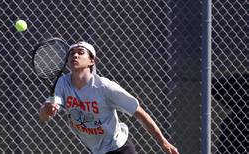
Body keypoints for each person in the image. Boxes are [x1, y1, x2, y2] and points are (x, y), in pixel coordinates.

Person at [39, 41, 179, 154]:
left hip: (119, 148)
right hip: (96, 150)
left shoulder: (105, 87)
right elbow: (44, 117)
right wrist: (47, 110)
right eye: (71, 54)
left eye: (80, 53)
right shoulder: (63, 83)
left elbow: (140, 112)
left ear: (91, 61)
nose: (75, 56)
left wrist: (163, 142)